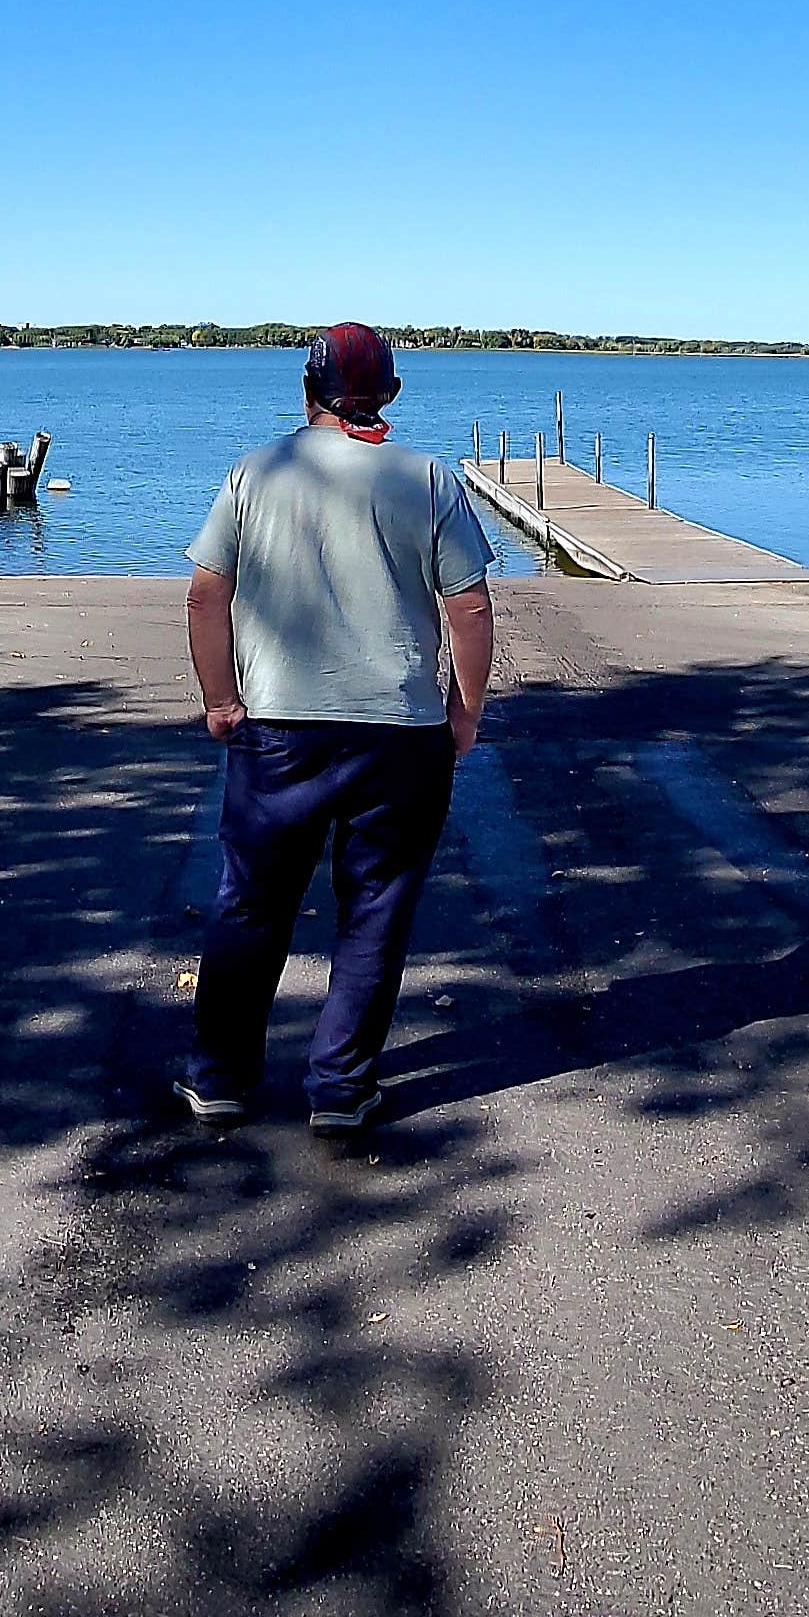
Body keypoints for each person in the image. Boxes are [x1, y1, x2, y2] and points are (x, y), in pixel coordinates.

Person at [181, 322, 503, 1138]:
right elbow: (468, 607)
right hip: (399, 733)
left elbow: (206, 594)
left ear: (306, 392)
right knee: (374, 911)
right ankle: (340, 1089)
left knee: (251, 905)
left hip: (278, 728)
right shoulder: (426, 478)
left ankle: (220, 1079)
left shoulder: (256, 473)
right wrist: (464, 710)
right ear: (389, 394)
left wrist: (221, 699)